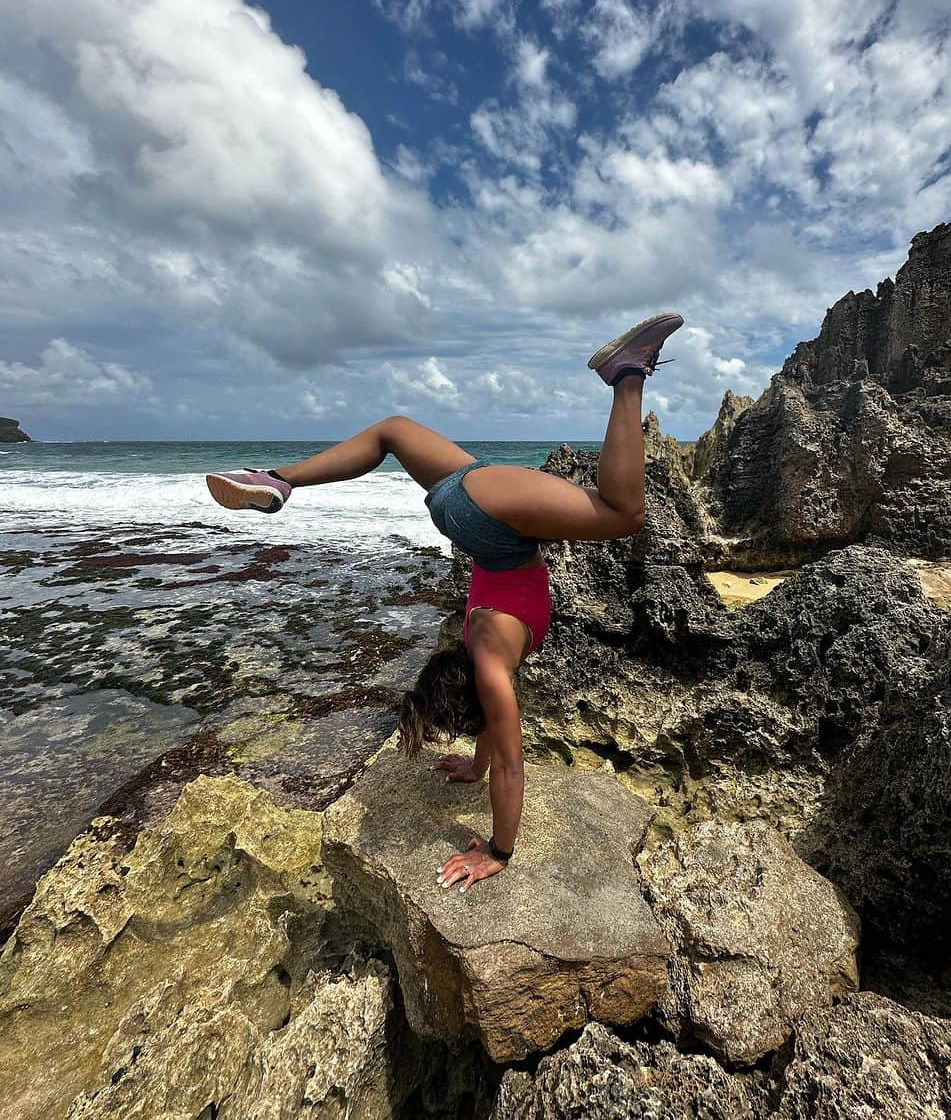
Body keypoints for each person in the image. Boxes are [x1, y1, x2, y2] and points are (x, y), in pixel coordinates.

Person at [205, 312, 684, 892]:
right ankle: (279, 478)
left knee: (624, 514)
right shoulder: (478, 649)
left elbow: (511, 760)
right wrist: (476, 768)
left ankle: (627, 375)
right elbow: (496, 746)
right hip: (465, 507)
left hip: (490, 520)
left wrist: (499, 853)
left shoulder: (492, 665)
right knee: (392, 430)